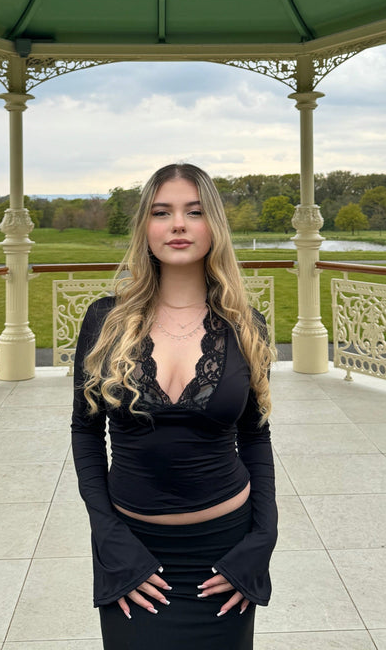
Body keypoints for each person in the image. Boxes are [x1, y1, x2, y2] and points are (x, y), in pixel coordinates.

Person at [71, 163, 277, 650]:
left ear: (214, 226)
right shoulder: (105, 319)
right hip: (132, 551)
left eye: (195, 212)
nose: (178, 224)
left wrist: (261, 540)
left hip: (224, 556)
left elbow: (256, 436)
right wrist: (109, 538)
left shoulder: (246, 324)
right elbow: (85, 431)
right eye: (162, 212)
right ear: (145, 226)